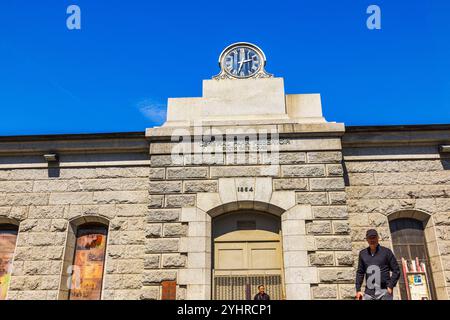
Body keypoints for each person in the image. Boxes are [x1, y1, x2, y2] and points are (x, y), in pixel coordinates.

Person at [355, 229, 400, 300]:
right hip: (369, 293)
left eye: (374, 237)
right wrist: (358, 290)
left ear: (378, 238)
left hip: (384, 292)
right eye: (370, 238)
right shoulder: (363, 254)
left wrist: (390, 286)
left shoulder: (386, 252)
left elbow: (396, 270)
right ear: (367, 239)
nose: (372, 240)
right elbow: (360, 272)